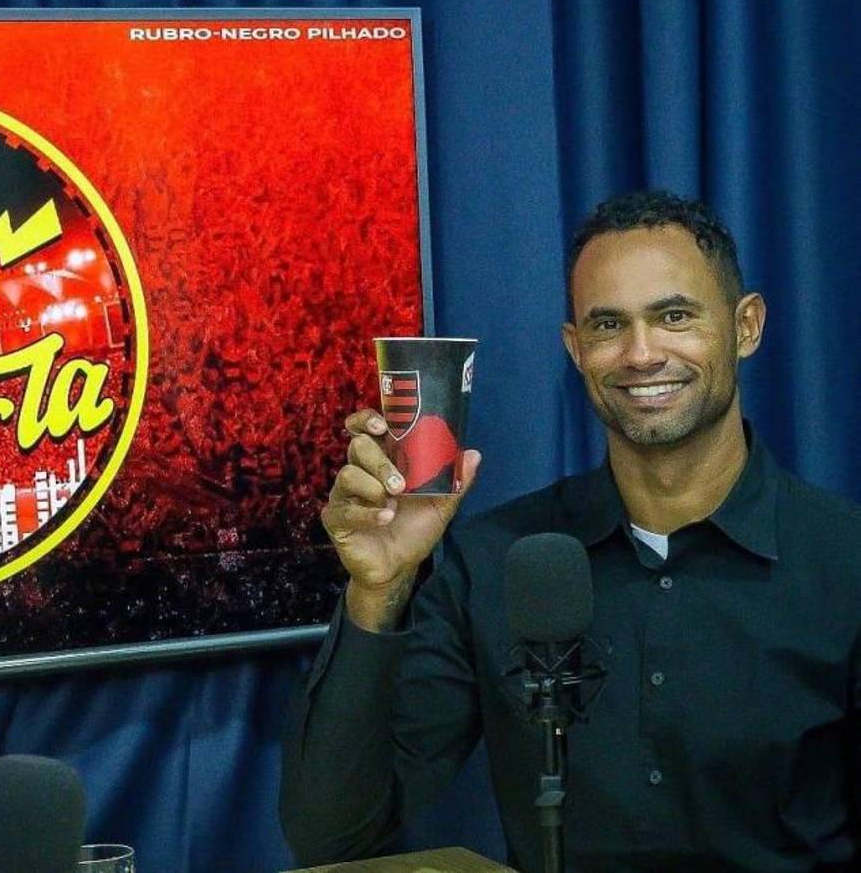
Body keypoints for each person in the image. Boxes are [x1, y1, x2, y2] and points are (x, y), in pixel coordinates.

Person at [280, 191, 861, 872]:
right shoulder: (496, 562)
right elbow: (331, 838)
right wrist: (379, 588)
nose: (641, 354)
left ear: (747, 326)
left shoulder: (843, 560)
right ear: (575, 348)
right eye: (608, 326)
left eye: (674, 316)